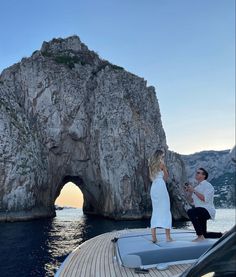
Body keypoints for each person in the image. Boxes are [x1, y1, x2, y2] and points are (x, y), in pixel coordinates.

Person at [185, 167, 223, 242]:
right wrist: (190, 192)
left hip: (207, 210)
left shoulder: (208, 186)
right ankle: (222, 235)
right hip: (200, 211)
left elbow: (204, 199)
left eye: (199, 173)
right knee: (205, 234)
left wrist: (193, 190)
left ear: (204, 176)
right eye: (197, 172)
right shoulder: (197, 187)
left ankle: (200, 236)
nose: (196, 174)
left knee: (190, 212)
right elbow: (190, 201)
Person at [148, 149, 173, 242]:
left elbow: (151, 178)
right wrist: (165, 170)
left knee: (155, 211)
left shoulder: (151, 165)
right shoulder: (162, 164)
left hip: (154, 187)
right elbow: (166, 177)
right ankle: (168, 237)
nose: (163, 158)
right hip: (161, 187)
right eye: (163, 156)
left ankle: (154, 238)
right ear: (160, 156)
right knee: (166, 210)